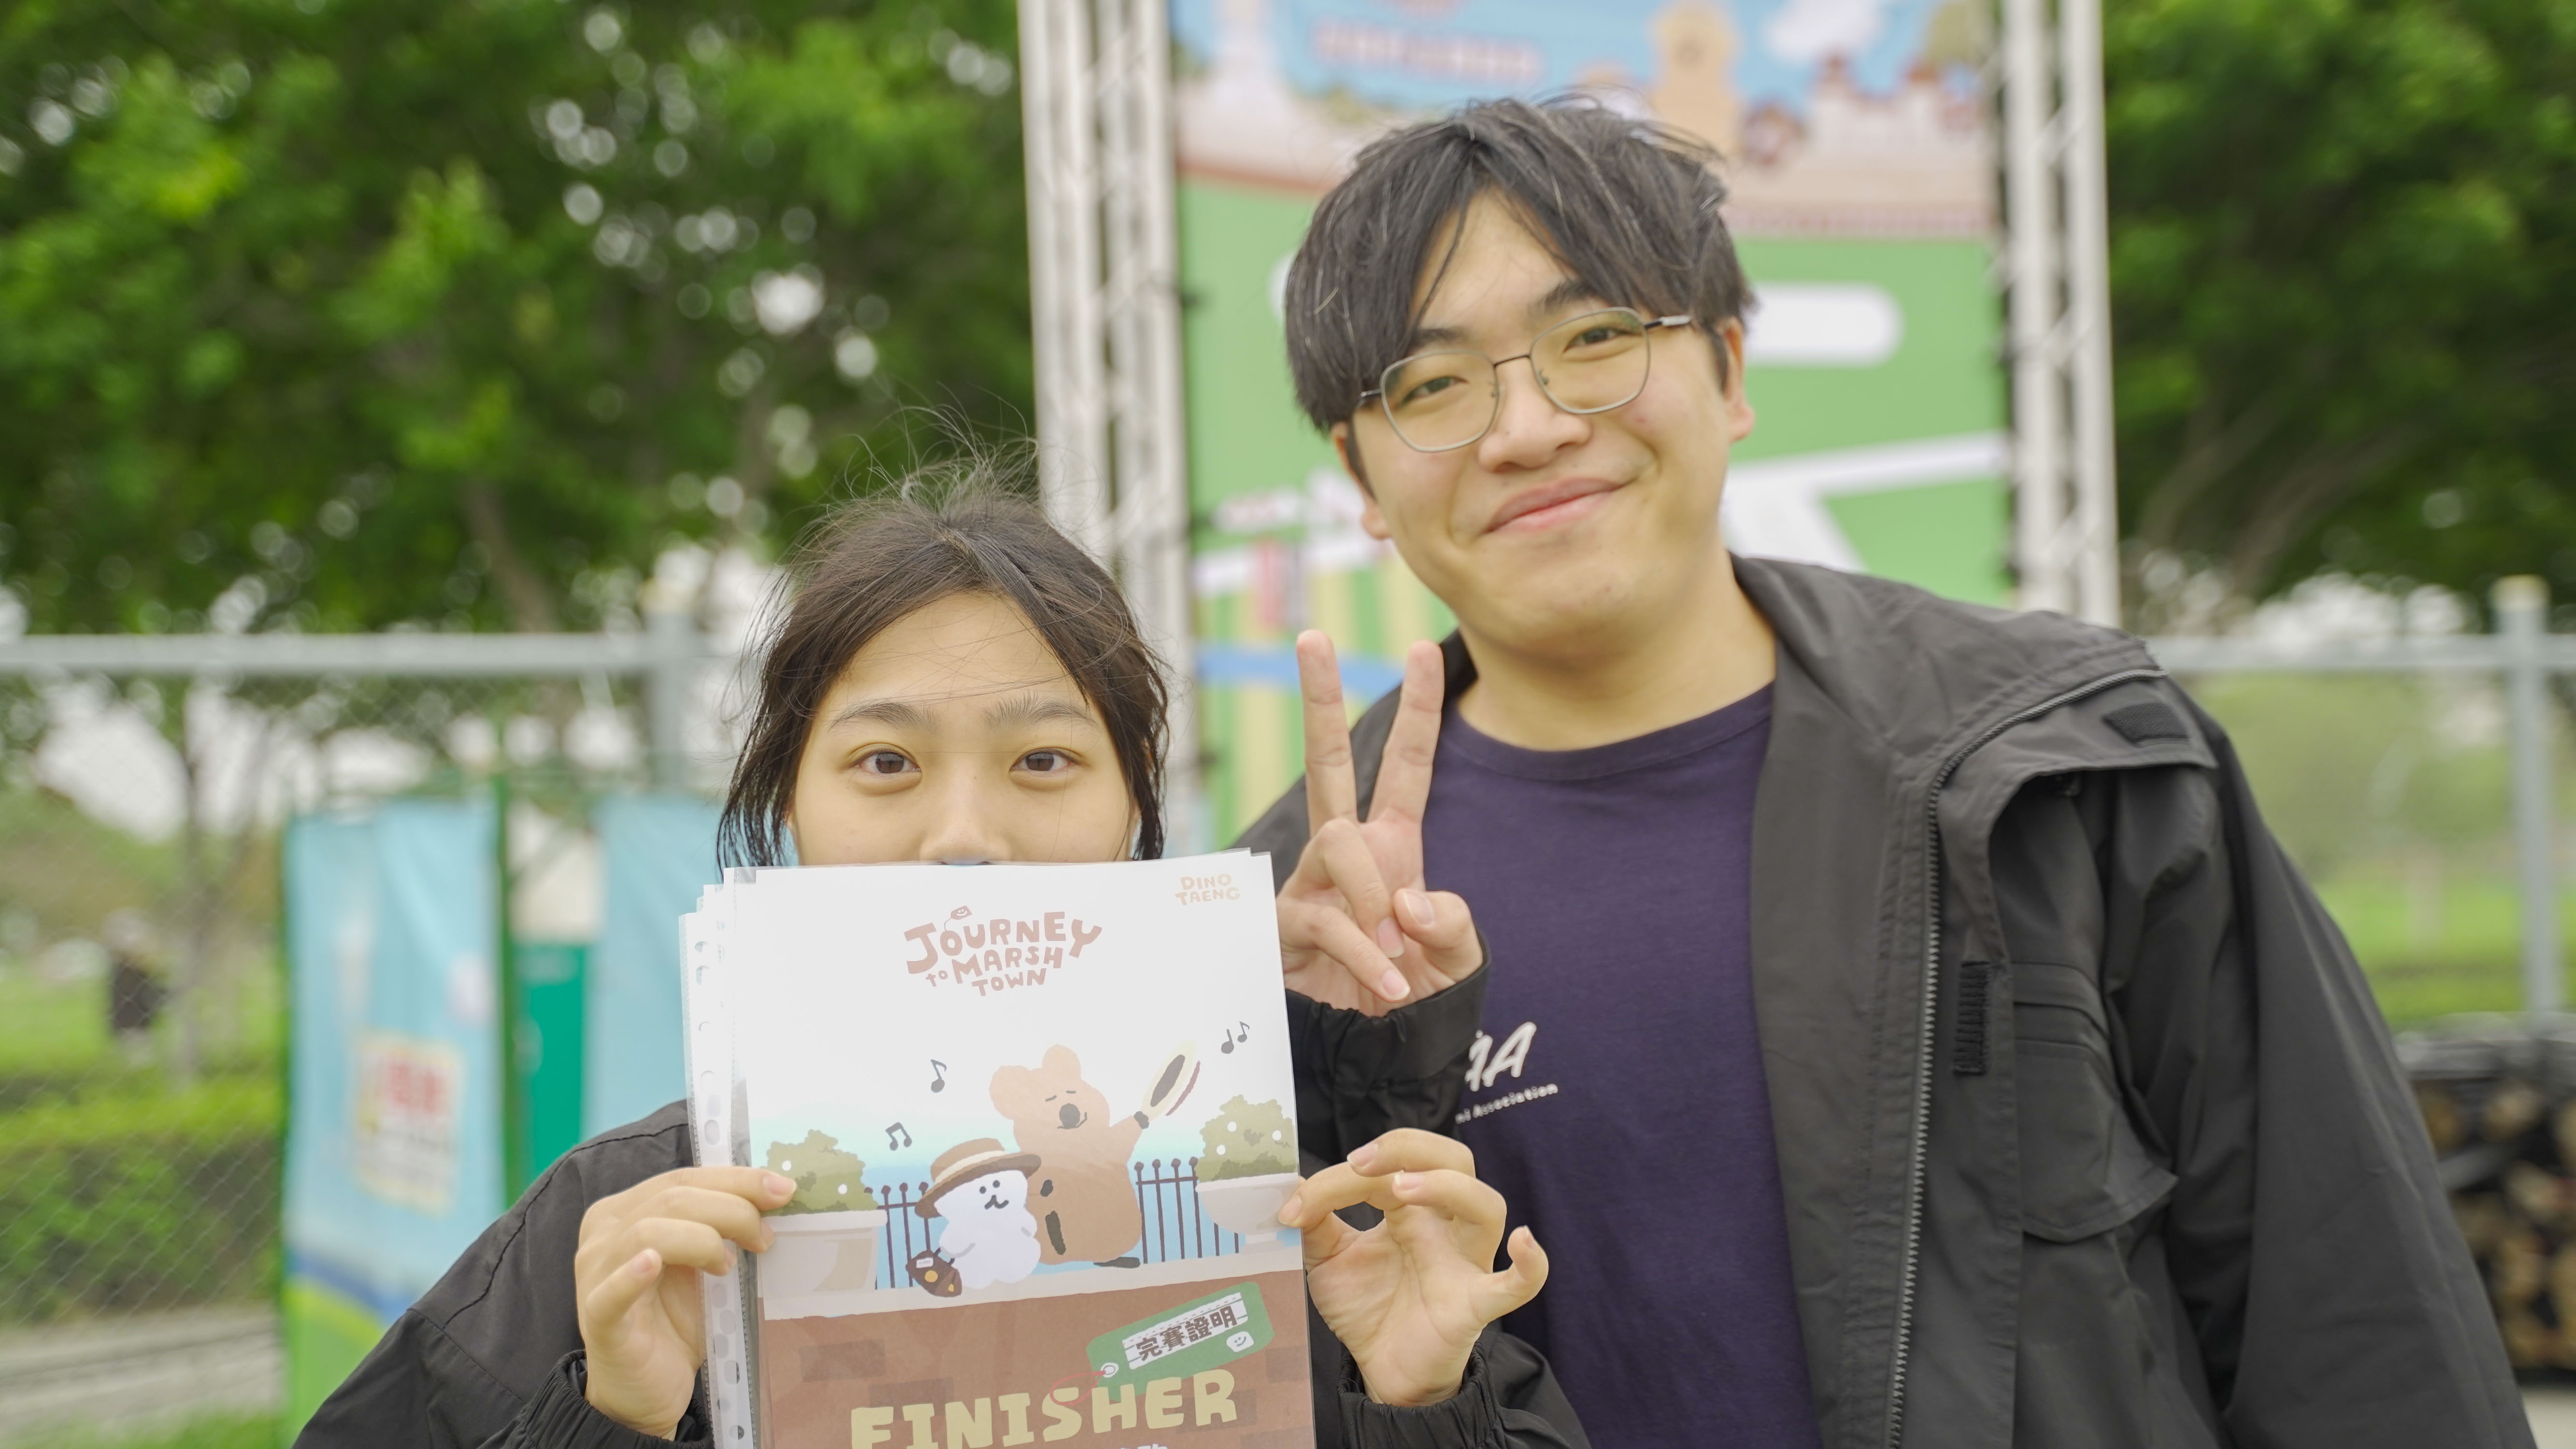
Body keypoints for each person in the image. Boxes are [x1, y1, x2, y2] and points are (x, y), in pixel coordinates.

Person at [1238, 97, 2531, 1449]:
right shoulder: (1282, 933)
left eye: (1596, 339)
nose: (1527, 426)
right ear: (1359, 474)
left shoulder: (2066, 769)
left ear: (1729, 369)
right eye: (1432, 386)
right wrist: (1346, 1063)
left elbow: (2352, 1322)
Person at [296, 476, 1577, 1449]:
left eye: (1043, 760)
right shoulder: (625, 1234)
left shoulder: (1309, 1228)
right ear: (786, 807)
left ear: (1135, 809)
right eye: (885, 762)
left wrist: (1424, 1407)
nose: (963, 836)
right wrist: (614, 1420)